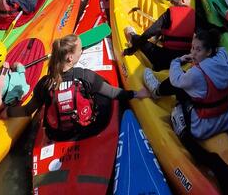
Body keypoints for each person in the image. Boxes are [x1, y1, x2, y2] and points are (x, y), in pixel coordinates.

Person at [143, 27, 228, 195]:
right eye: (192, 48)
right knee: (192, 86)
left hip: (205, 126)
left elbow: (176, 79)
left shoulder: (196, 74)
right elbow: (220, 50)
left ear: (209, 52)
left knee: (177, 115)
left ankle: (156, 90)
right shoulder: (221, 55)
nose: (193, 53)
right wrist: (199, 57)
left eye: (198, 49)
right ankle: (158, 90)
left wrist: (177, 61)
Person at [8, 34, 147, 135]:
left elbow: (27, 111)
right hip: (85, 128)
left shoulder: (45, 83)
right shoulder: (85, 75)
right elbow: (113, 93)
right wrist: (136, 94)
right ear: (70, 58)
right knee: (103, 94)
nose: (82, 51)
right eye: (80, 49)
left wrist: (7, 112)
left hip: (58, 133)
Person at [124, 0, 196, 66]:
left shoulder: (168, 14)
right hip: (186, 58)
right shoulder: (194, 14)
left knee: (139, 39)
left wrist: (131, 50)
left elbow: (148, 33)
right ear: (183, 0)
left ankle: (132, 34)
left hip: (165, 60)